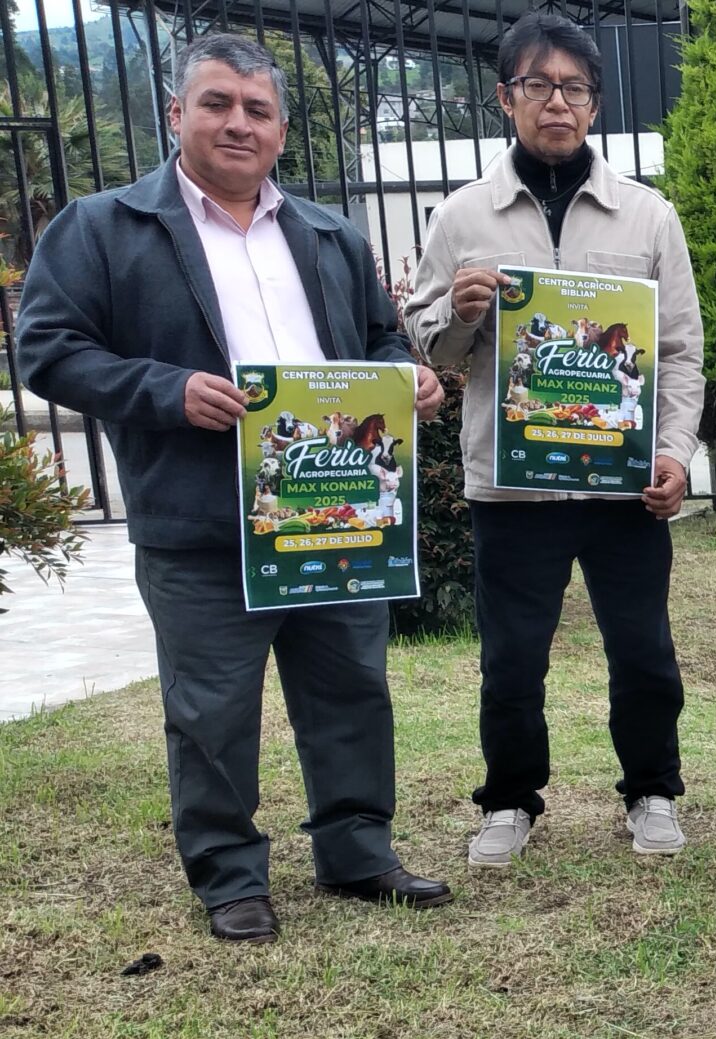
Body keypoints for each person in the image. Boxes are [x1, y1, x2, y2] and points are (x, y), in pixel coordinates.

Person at [16, 34, 451, 942]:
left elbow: (376, 342)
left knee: (352, 689)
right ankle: (229, 875)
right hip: (201, 522)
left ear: (282, 130)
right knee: (210, 708)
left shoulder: (329, 234)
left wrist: (405, 378)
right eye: (216, 103)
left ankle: (357, 848)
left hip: (334, 519)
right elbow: (48, 349)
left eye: (257, 110)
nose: (237, 123)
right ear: (176, 115)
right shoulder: (104, 227)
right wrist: (165, 393)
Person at [404, 12, 706, 866]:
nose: (557, 103)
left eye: (574, 87)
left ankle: (652, 789)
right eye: (538, 86)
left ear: (596, 104)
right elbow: (428, 341)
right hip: (513, 484)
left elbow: (682, 352)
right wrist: (457, 316)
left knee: (644, 650)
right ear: (506, 98)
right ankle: (508, 799)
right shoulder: (464, 215)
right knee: (510, 659)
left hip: (624, 485)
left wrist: (677, 453)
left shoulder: (649, 217)